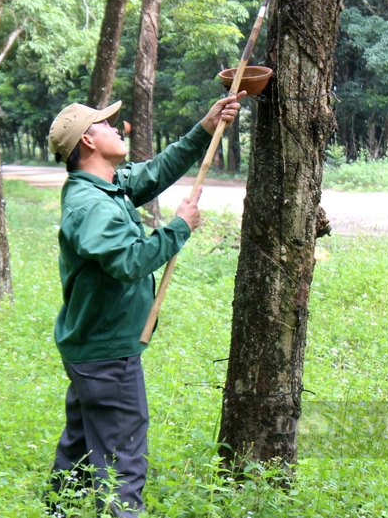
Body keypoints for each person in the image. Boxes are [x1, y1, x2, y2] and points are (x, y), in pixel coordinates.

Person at [45, 93, 243, 517]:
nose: (117, 127)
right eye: (105, 124)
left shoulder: (105, 187)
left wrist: (205, 128)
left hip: (92, 348)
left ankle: (57, 510)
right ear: (88, 142)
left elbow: (153, 173)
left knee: (81, 443)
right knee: (123, 458)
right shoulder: (91, 205)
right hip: (107, 351)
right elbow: (129, 261)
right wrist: (178, 229)